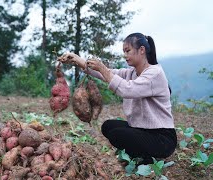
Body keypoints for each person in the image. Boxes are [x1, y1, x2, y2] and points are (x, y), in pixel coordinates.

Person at [57, 32, 177, 164]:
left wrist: (102, 68)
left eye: (128, 51)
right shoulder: (132, 72)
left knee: (117, 135)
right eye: (124, 51)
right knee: (108, 126)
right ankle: (142, 154)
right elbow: (107, 74)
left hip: (162, 138)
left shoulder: (154, 73)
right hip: (142, 130)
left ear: (141, 50)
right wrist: (77, 60)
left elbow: (127, 89)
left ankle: (149, 158)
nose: (125, 55)